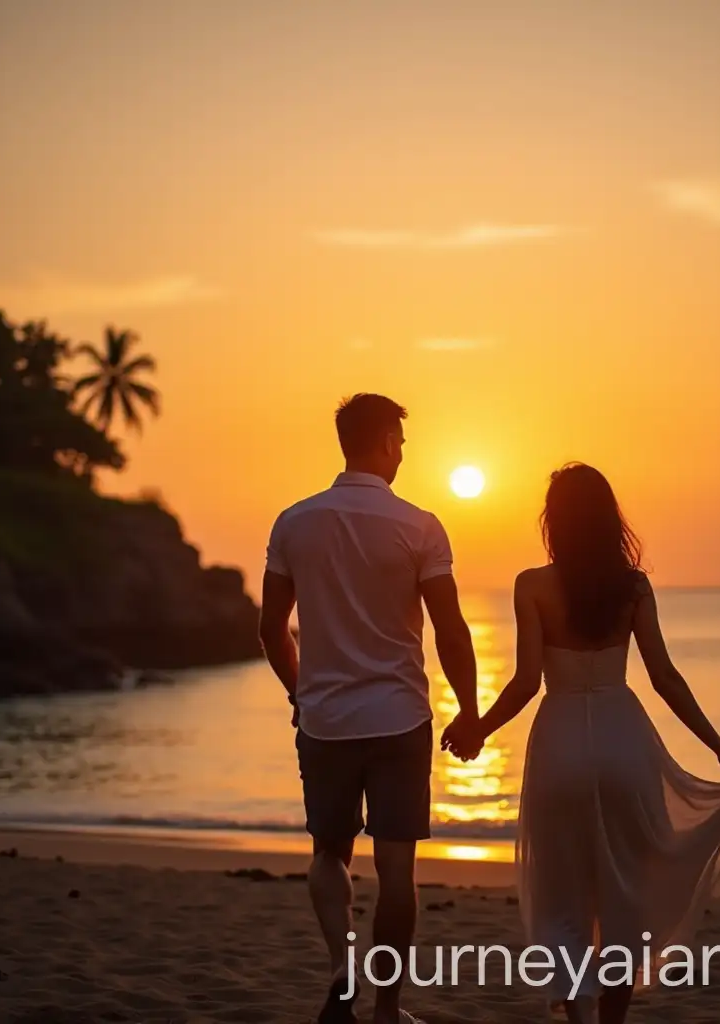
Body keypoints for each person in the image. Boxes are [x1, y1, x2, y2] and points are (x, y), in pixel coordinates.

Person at [443, 462, 720, 1024]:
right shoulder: (632, 587)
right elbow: (665, 678)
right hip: (623, 743)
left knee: (562, 890)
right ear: (609, 520)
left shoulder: (531, 585)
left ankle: (579, 1010)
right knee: (624, 893)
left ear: (553, 521)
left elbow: (525, 683)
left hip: (559, 745)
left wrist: (477, 729)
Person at [260, 393, 479, 1024]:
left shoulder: (294, 522)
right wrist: (469, 708)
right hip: (400, 718)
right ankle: (386, 1010)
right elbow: (452, 629)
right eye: (402, 442)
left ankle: (340, 966)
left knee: (329, 852)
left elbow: (273, 627)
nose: (404, 453)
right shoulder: (419, 525)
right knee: (396, 869)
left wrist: (298, 692)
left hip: (325, 719)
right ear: (385, 441)